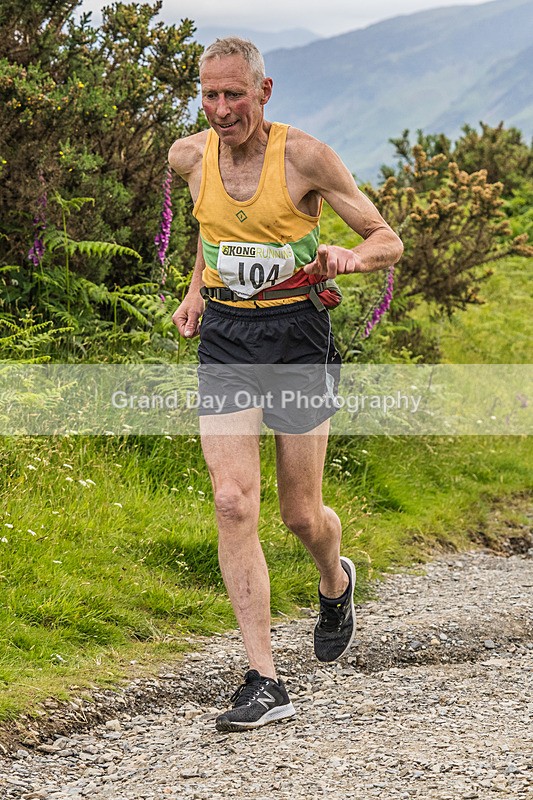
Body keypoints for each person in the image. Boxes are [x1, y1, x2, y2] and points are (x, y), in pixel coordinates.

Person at [169, 37, 403, 733]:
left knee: (301, 516)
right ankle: (264, 679)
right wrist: (196, 292)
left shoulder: (303, 157)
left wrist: (347, 258)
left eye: (233, 94)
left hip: (298, 338)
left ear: (263, 93)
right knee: (232, 500)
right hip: (228, 340)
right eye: (209, 94)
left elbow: (385, 237)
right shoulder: (187, 156)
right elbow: (214, 235)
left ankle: (335, 580)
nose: (219, 109)